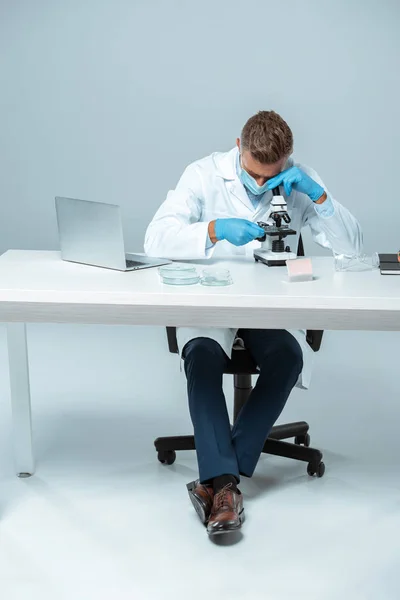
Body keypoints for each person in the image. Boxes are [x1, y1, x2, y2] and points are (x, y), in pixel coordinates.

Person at [145, 111, 362, 537]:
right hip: (212, 299)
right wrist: (213, 229)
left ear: (287, 162)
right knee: (203, 358)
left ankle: (218, 479)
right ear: (238, 146)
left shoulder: (300, 181)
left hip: (271, 304)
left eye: (271, 177)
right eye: (253, 176)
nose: (261, 186)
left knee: (287, 357)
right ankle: (228, 486)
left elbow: (352, 249)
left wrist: (320, 199)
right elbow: (155, 239)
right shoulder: (204, 174)